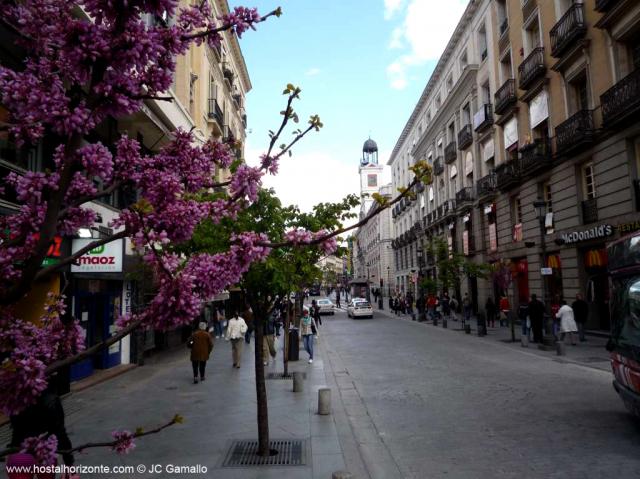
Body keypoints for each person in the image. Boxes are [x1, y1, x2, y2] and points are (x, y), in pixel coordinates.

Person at [9, 374, 76, 474]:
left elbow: (16, 430)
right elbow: (60, 433)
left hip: (24, 452)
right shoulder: (50, 400)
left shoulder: (17, 398)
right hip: (43, 453)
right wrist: (69, 465)